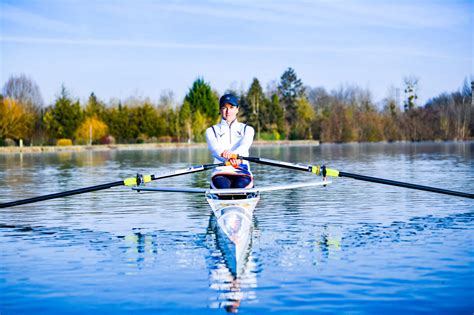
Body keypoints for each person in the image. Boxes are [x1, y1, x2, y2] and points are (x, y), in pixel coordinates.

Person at [205, 93, 255, 189]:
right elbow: (215, 150)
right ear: (220, 110)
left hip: (242, 171)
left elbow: (244, 146)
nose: (228, 111)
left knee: (239, 186)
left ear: (237, 109)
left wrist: (234, 155)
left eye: (231, 107)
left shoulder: (247, 129)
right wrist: (231, 159)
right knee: (223, 187)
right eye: (224, 108)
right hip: (220, 171)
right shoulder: (211, 131)